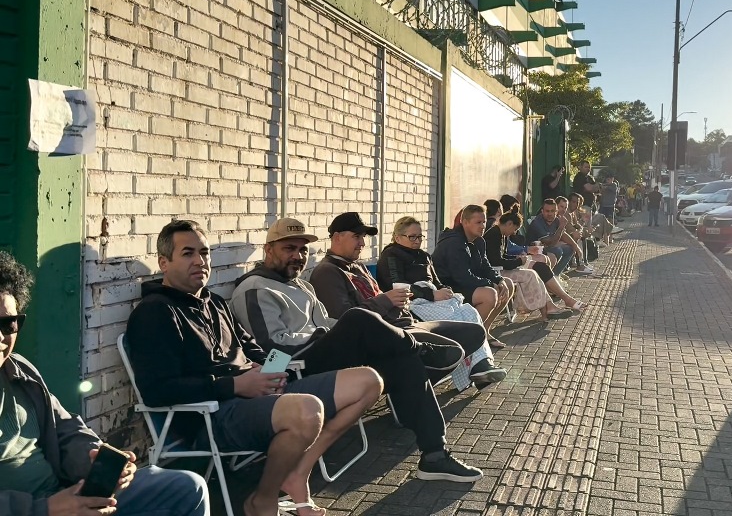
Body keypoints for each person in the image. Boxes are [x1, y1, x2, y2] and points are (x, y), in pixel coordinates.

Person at [126, 220, 382, 516]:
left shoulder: (215, 304)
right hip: (214, 414)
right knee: (307, 410)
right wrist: (235, 386)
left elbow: (255, 349)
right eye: (187, 253)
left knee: (368, 380)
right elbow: (158, 390)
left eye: (205, 252)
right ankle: (263, 500)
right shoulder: (155, 313)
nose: (200, 261)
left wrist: (272, 372)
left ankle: (298, 472)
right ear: (164, 262)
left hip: (259, 396)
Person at [230, 218, 482, 482]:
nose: (297, 256)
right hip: (288, 366)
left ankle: (435, 455)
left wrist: (344, 334)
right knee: (359, 318)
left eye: (302, 250)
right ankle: (420, 348)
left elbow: (326, 322)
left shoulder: (301, 286)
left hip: (322, 354)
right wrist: (334, 334)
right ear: (268, 250)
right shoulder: (254, 289)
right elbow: (272, 349)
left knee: (403, 362)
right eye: (289, 249)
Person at [0, 251, 210, 516]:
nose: (1, 337)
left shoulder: (19, 372)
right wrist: (46, 508)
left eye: (8, 324)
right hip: (39, 509)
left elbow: (64, 428)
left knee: (187, 487)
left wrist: (97, 460)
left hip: (68, 496)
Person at [308, 212, 508, 381]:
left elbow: (389, 293)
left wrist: (442, 291)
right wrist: (393, 300)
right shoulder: (328, 272)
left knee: (473, 329)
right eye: (356, 237)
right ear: (337, 237)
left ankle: (476, 367)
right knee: (452, 347)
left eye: (419, 237)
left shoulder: (359, 266)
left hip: (404, 320)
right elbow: (346, 318)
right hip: (393, 328)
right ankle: (417, 378)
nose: (362, 243)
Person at [431, 205, 516, 349]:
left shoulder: (479, 241)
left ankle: (484, 331)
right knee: (489, 295)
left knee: (507, 284)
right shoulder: (453, 242)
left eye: (483, 222)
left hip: (465, 282)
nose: (483, 226)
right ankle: (469, 338)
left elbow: (485, 267)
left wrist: (499, 280)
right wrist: (490, 284)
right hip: (448, 287)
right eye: (478, 222)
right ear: (464, 222)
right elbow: (461, 277)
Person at [483, 204, 586, 319]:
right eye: (515, 229)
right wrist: (519, 261)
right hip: (496, 272)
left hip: (502, 268)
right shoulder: (495, 235)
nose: (513, 233)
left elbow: (502, 256)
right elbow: (495, 260)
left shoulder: (501, 234)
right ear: (509, 224)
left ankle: (550, 307)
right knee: (533, 273)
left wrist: (519, 259)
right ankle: (551, 307)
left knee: (539, 268)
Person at [526, 199, 575, 276]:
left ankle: (555, 275)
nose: (550, 214)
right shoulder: (537, 222)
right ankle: (549, 277)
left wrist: (576, 247)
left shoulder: (556, 220)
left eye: (552, 211)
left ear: (556, 212)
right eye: (547, 211)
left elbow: (563, 235)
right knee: (557, 250)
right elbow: (550, 243)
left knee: (570, 249)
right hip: (534, 249)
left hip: (546, 247)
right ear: (542, 211)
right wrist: (561, 227)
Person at [555, 195, 594, 275]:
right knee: (576, 238)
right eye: (573, 202)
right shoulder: (564, 214)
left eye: (578, 203)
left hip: (561, 237)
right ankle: (580, 265)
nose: (576, 205)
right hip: (554, 240)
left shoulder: (572, 213)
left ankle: (583, 262)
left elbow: (577, 226)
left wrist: (582, 230)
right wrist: (577, 232)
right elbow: (569, 229)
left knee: (580, 237)